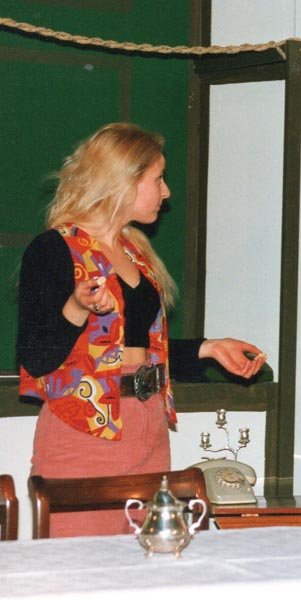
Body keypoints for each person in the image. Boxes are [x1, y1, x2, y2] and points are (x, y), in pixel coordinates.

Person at [17, 122, 267, 537]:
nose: (166, 192)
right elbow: (37, 356)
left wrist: (208, 348)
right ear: (124, 181)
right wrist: (76, 307)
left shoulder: (135, 250)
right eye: (158, 179)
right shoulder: (53, 249)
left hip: (148, 430)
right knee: (82, 565)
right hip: (84, 435)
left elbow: (135, 348)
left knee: (149, 560)